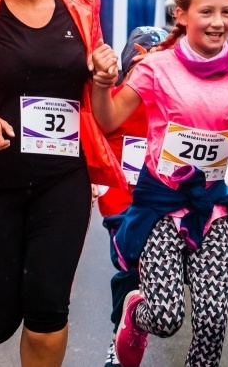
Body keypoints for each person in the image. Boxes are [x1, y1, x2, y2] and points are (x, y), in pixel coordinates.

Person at [90, 0, 228, 367]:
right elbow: (110, 119)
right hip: (159, 208)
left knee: (212, 320)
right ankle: (135, 312)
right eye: (207, 12)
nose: (219, 22)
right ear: (182, 15)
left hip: (211, 210)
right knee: (166, 318)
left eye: (227, 12)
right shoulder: (156, 68)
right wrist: (101, 85)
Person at [0, 0, 124, 366]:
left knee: (48, 307)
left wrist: (105, 81)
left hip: (62, 180)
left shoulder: (79, 5)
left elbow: (104, 117)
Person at [95, 26, 167, 367]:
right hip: (122, 207)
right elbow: (93, 138)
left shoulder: (175, 105)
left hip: (166, 206)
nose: (149, 73)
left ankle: (136, 321)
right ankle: (118, 339)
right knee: (130, 267)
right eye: (140, 65)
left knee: (155, 280)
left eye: (158, 64)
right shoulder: (115, 102)